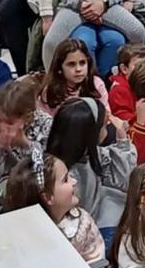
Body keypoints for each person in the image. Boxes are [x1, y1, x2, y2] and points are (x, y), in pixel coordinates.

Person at [46, 97, 136, 249]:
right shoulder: (70, 173)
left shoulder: (87, 155)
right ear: (89, 133)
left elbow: (124, 179)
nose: (107, 130)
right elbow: (125, 179)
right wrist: (122, 143)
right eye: (103, 126)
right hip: (87, 232)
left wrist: (122, 140)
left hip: (97, 218)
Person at [4, 151, 107, 268]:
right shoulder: (21, 237)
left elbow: (95, 258)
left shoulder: (82, 222)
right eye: (65, 179)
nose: (74, 181)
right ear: (48, 197)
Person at [0, 79, 53, 183]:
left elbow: (42, 173)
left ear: (28, 118)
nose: (2, 126)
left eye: (9, 123)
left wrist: (23, 143)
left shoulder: (45, 126)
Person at [108, 43, 145, 124]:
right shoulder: (119, 90)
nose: (144, 69)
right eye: (138, 66)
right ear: (124, 69)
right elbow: (122, 117)